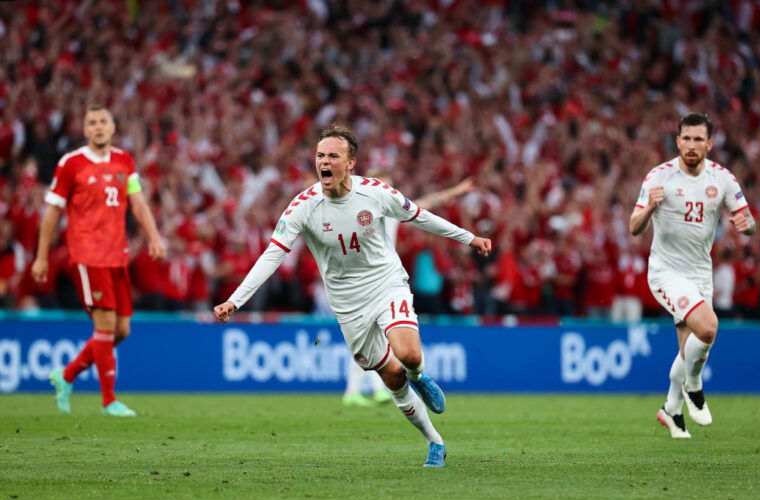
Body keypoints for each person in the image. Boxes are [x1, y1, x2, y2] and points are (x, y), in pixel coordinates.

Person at [214, 126, 491, 467]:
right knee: (391, 377)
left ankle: (420, 378)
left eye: (333, 156)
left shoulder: (375, 192)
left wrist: (469, 238)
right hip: (347, 305)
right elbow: (273, 254)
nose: (324, 162)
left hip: (386, 283)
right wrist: (235, 300)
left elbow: (421, 216)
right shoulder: (303, 205)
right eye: (320, 156)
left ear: (351, 163)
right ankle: (434, 441)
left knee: (408, 354)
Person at [32, 105, 166, 417]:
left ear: (113, 127)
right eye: (91, 122)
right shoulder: (71, 164)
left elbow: (138, 202)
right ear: (85, 129)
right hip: (87, 254)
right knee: (104, 323)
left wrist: (154, 237)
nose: (98, 127)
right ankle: (109, 401)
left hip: (117, 255)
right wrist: (41, 256)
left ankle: (65, 375)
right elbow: (52, 211)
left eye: (103, 121)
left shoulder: (124, 160)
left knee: (121, 330)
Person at [629, 112, 756, 439]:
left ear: (709, 144)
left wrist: (748, 225)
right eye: (686, 138)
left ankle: (671, 409)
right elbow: (633, 227)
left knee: (691, 350)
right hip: (666, 272)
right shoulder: (659, 177)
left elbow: (748, 220)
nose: (691, 145)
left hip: (700, 272)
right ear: (678, 141)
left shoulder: (723, 179)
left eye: (699, 139)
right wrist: (649, 209)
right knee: (709, 327)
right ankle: (694, 387)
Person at [342, 173, 474, 407]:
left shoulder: (391, 210)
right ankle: (365, 390)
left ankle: (359, 391)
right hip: (362, 279)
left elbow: (428, 202)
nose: (388, 191)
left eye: (391, 186)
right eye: (384, 185)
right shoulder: (357, 210)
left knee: (371, 338)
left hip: (381, 278)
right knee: (370, 338)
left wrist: (455, 191)